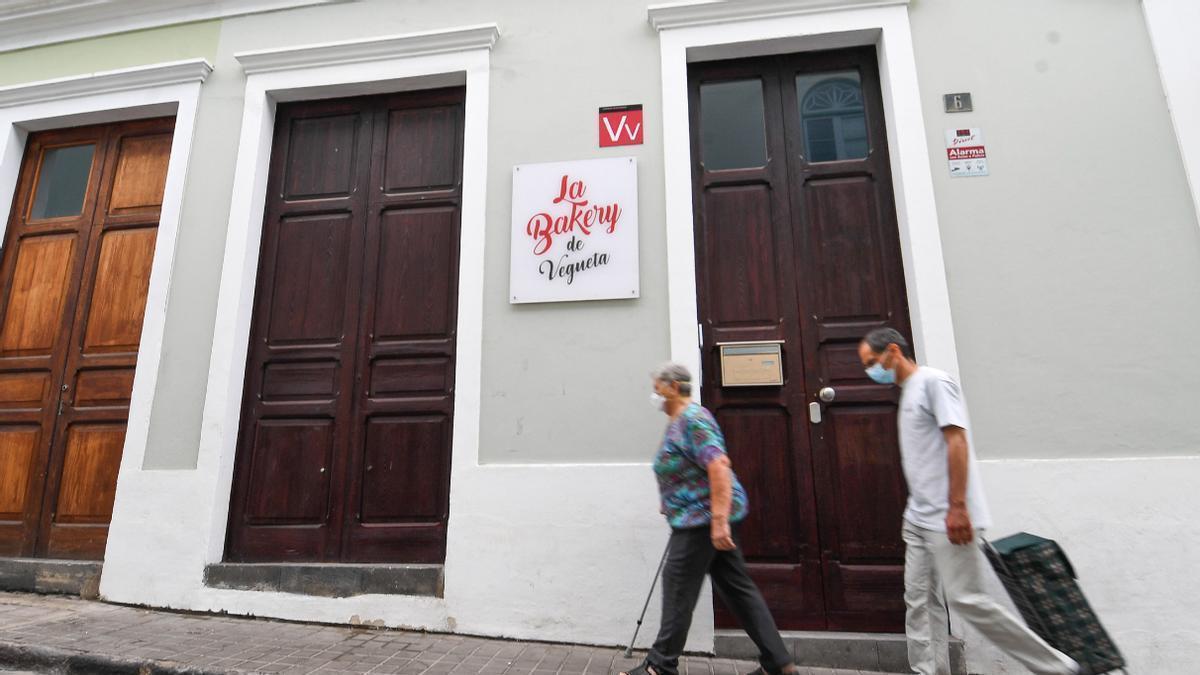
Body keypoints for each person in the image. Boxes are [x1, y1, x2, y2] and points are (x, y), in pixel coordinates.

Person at [858, 328, 1080, 675]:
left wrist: (958, 506)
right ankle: (927, 671)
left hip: (949, 517)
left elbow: (957, 440)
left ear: (892, 351)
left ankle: (1060, 668)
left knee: (969, 600)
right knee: (919, 601)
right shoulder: (908, 391)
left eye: (872, 362)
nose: (871, 371)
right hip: (918, 517)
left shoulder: (934, 382)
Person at [621, 363, 798, 675]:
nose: (654, 394)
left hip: (700, 520)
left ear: (674, 387)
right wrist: (670, 499)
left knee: (678, 585)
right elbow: (687, 467)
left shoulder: (693, 418)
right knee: (737, 589)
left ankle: (661, 666)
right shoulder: (680, 420)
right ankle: (778, 662)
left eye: (657, 387)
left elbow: (718, 465)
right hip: (696, 515)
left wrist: (718, 520)